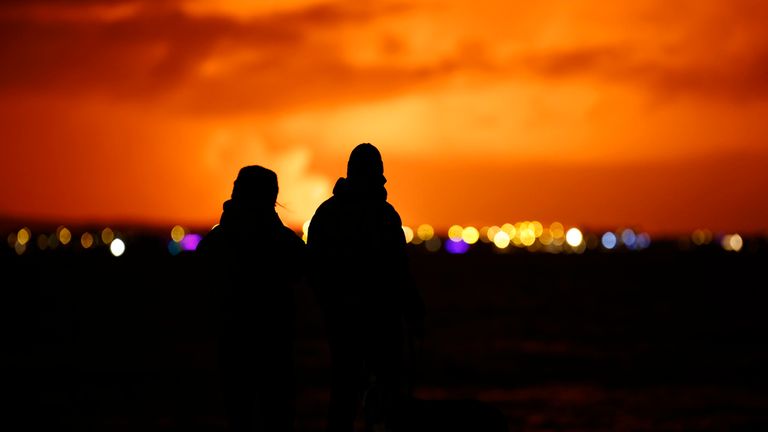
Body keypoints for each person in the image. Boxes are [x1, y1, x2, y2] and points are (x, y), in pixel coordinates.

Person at [307, 143, 424, 432]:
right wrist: (413, 312)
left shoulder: (326, 214)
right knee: (386, 397)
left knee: (345, 395)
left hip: (344, 320)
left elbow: (315, 270)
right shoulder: (384, 215)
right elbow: (399, 270)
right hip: (380, 321)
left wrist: (329, 306)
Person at [197, 165, 305, 432]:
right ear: (272, 197)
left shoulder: (215, 242)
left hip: (232, 342)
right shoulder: (285, 242)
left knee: (239, 416)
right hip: (275, 342)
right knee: (277, 417)